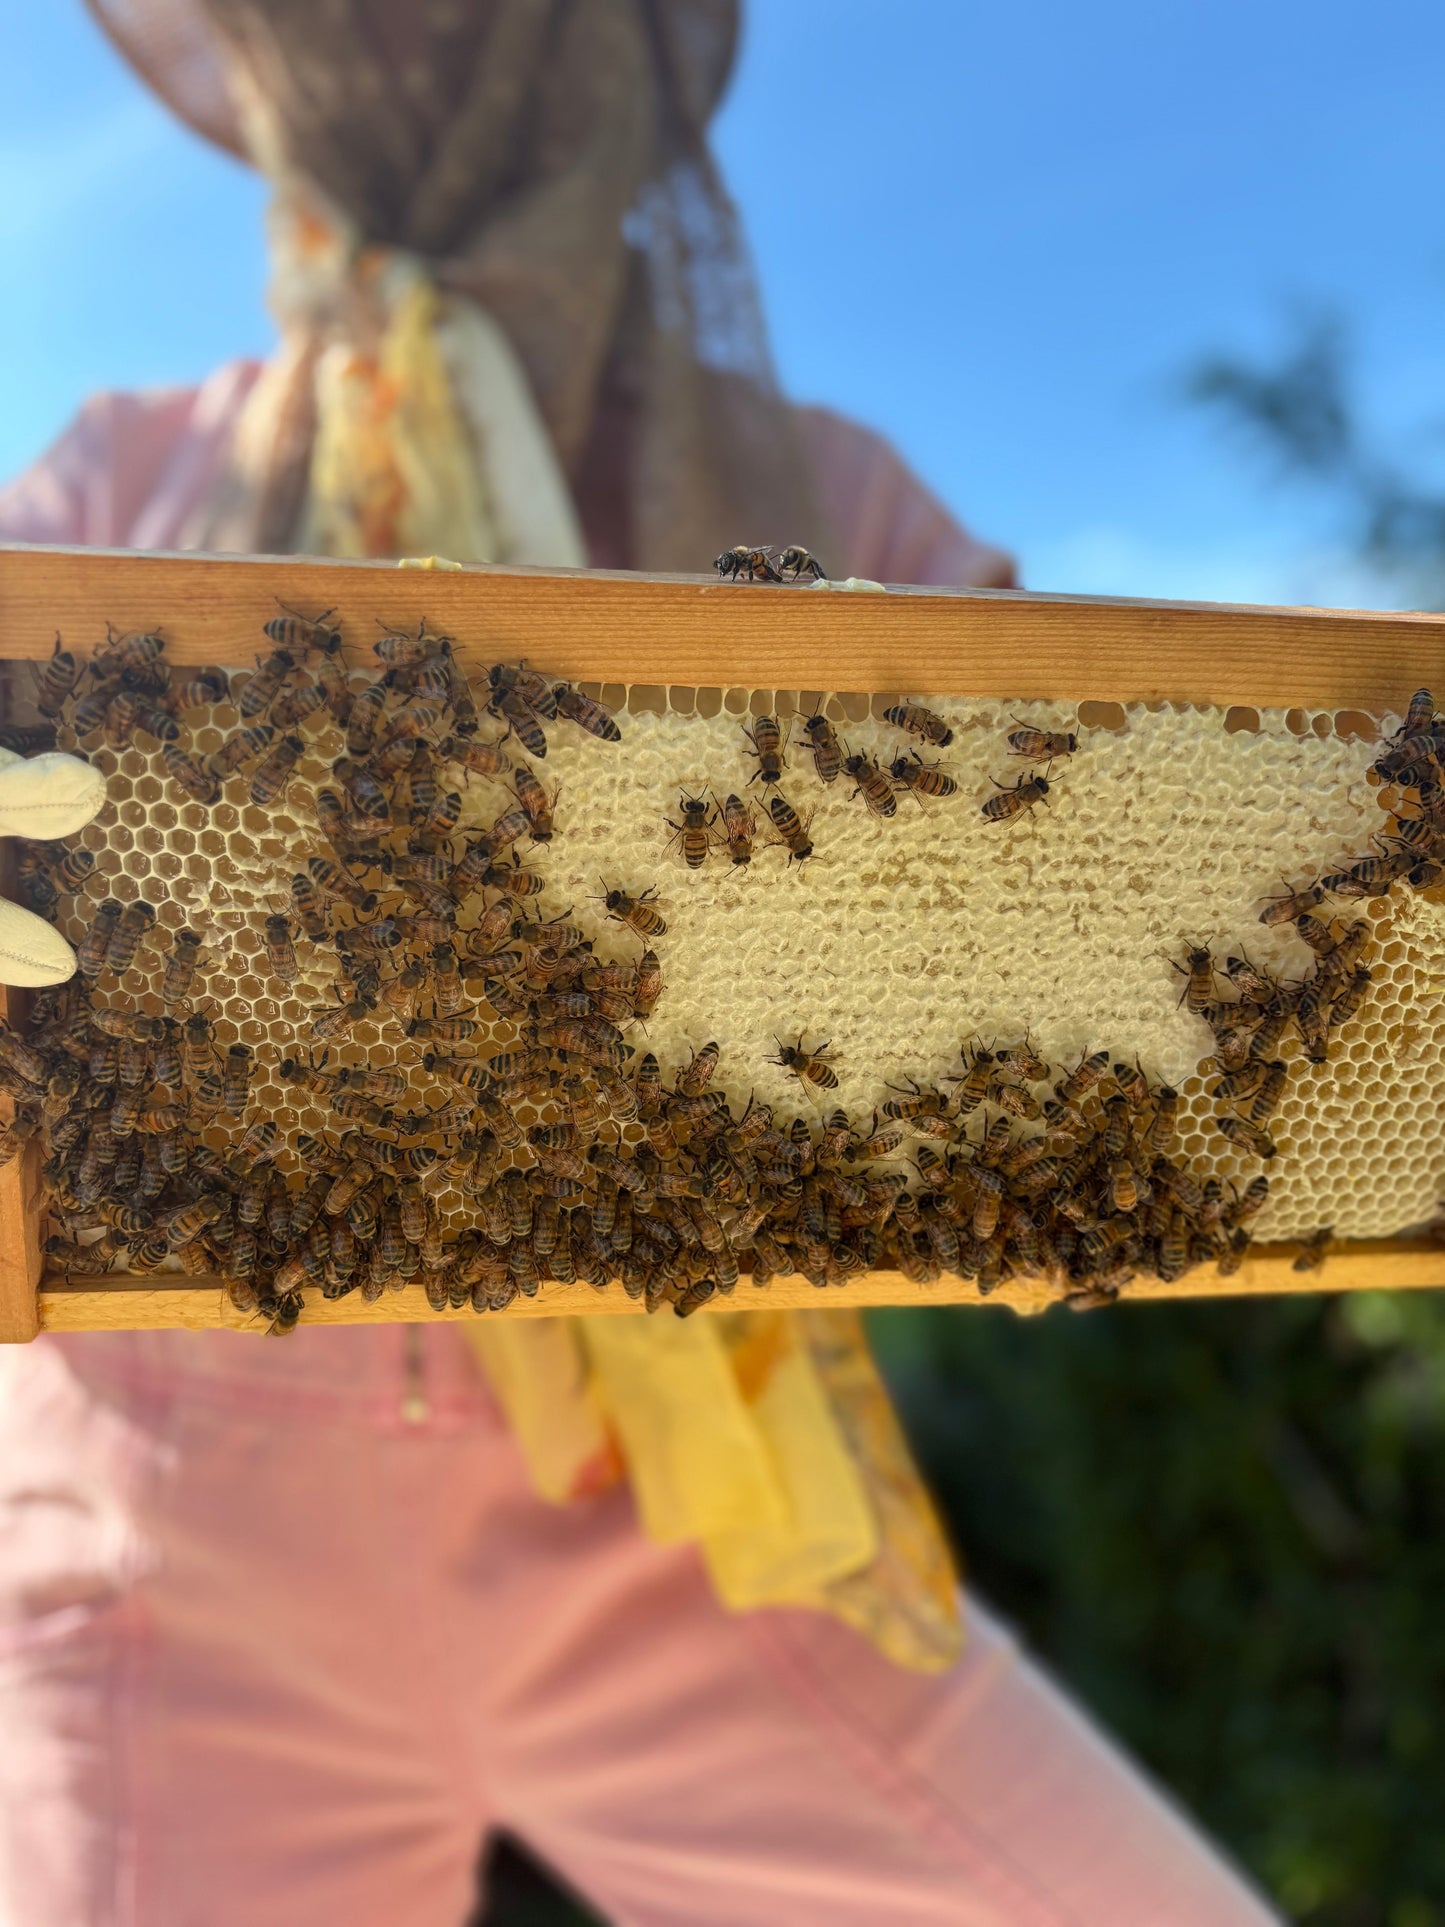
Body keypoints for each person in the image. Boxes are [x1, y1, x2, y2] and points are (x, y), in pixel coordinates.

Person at [0, 4, 1280, 1921]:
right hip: (167, 1540)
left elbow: (1136, 856)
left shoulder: (818, 502)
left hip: (700, 1518)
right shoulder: (123, 483)